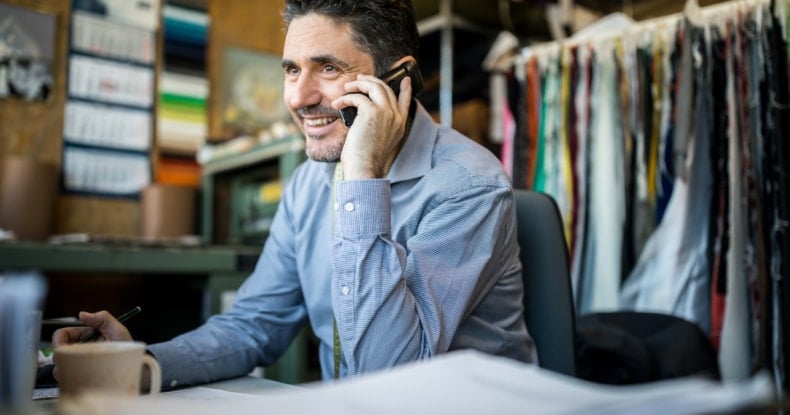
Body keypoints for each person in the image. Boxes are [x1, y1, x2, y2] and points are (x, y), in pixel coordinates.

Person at [54, 0, 536, 387]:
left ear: (399, 80)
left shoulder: (467, 187)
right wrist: (139, 362)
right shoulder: (310, 182)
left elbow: (389, 379)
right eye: (291, 70)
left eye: (327, 69)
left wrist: (362, 177)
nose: (298, 97)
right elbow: (253, 325)